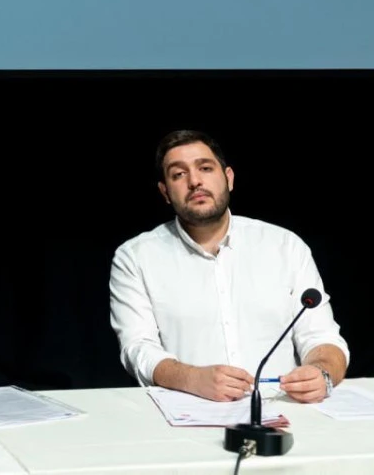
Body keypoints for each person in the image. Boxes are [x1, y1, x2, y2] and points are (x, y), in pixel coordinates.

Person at [109, 130, 348, 404]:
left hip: (284, 408)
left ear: (229, 178)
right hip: (189, 411)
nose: (194, 181)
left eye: (205, 168)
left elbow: (322, 337)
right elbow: (137, 348)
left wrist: (321, 374)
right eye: (179, 174)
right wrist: (192, 379)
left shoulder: (285, 246)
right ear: (165, 192)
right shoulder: (135, 257)